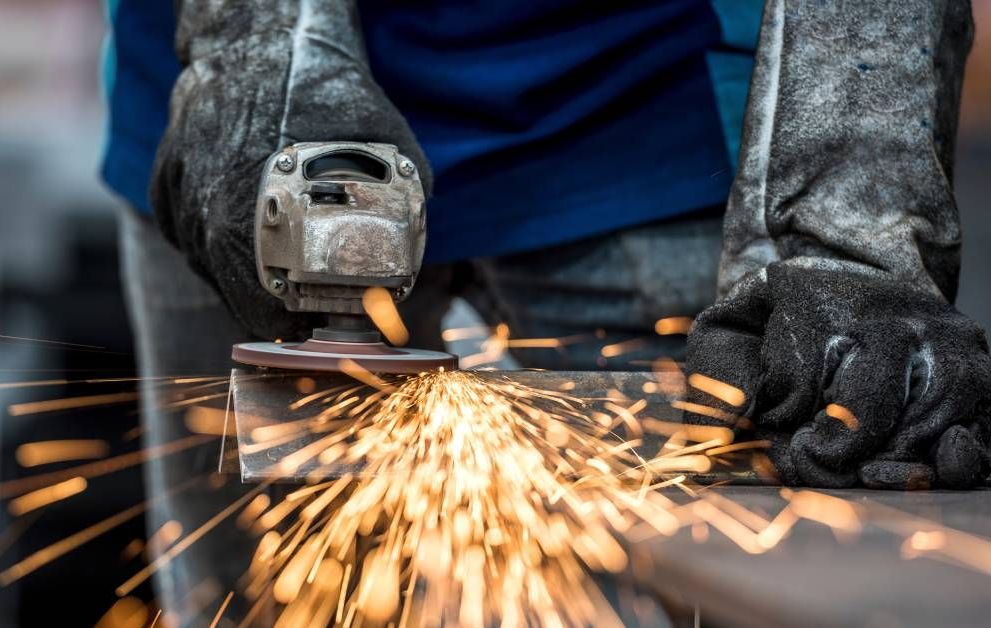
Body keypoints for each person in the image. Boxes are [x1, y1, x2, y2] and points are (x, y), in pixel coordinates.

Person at [101, 0, 990, 621]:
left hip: (625, 103)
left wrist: (850, 224)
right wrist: (254, 41)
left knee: (745, 549)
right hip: (233, 132)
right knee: (250, 600)